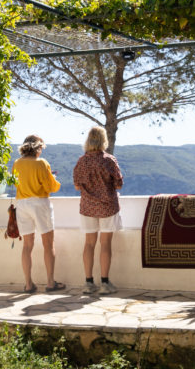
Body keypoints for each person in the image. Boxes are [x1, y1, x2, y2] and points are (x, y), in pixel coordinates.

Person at [73, 126, 124, 295]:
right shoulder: (109, 160)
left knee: (89, 243)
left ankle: (88, 283)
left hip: (87, 207)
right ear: (104, 140)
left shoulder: (81, 162)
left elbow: (77, 185)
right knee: (105, 244)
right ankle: (105, 283)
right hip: (108, 206)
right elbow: (118, 183)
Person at [12, 134, 64, 293]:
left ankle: (28, 284)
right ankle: (50, 283)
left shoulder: (17, 163)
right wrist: (54, 179)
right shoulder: (42, 163)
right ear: (37, 147)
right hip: (40, 204)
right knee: (48, 244)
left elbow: (16, 183)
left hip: (22, 204)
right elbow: (51, 187)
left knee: (27, 246)